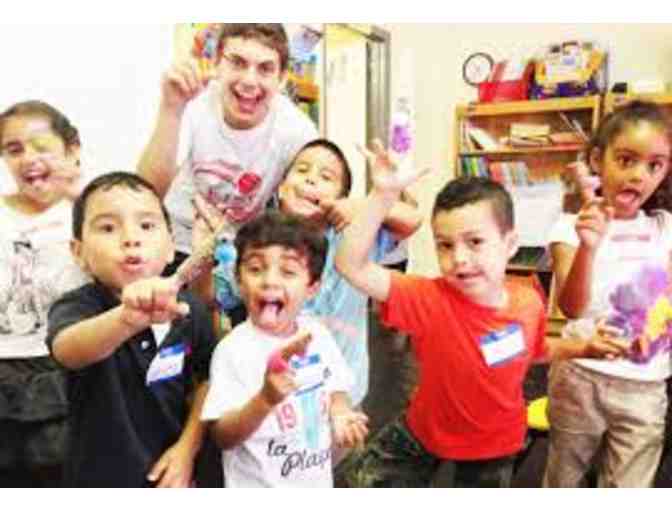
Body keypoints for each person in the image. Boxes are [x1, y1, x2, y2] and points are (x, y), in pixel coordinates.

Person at [333, 141, 630, 488]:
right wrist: (382, 195)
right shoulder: (426, 297)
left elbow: (536, 351)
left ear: (510, 244)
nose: (459, 258)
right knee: (359, 482)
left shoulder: (528, 303)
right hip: (425, 429)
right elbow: (350, 265)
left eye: (475, 242)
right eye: (445, 245)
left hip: (494, 445)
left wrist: (585, 348)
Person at [206, 138, 421, 411]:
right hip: (268, 398)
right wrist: (204, 252)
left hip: (341, 401)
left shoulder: (355, 236)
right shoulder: (256, 242)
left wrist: (362, 206)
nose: (311, 179)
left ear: (341, 198)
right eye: (302, 170)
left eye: (326, 177)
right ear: (281, 187)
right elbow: (214, 296)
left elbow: (412, 220)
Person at [46, 172, 217, 487]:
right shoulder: (78, 306)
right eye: (108, 228)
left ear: (171, 247)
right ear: (78, 252)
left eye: (147, 225)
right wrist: (126, 319)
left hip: (173, 474)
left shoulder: (189, 309)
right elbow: (68, 350)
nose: (131, 238)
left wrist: (188, 448)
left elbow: (208, 379)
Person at [543, 101, 672, 488]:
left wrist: (656, 327)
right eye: (626, 160)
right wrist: (589, 246)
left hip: (646, 384)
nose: (639, 176)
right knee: (564, 478)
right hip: (580, 377)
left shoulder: (664, 228)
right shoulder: (569, 226)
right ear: (598, 160)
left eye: (655, 165)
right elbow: (571, 307)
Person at [201, 211, 368, 487]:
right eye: (256, 269)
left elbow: (336, 388)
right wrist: (265, 400)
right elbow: (222, 437)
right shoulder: (233, 350)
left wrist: (341, 414)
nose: (270, 281)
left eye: (288, 272)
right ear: (239, 281)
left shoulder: (317, 334)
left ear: (312, 287)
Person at [138, 23, 318, 267]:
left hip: (241, 256)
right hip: (174, 247)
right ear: (216, 64)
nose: (249, 81)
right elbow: (145, 193)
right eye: (237, 63)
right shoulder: (193, 103)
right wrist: (171, 108)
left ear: (282, 79)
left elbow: (318, 199)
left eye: (265, 69)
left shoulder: (297, 130)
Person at [0, 100, 87, 487]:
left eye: (41, 146)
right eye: (14, 149)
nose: (28, 158)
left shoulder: (88, 213)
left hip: (59, 370)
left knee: (57, 475)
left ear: (71, 149)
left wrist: (79, 195)